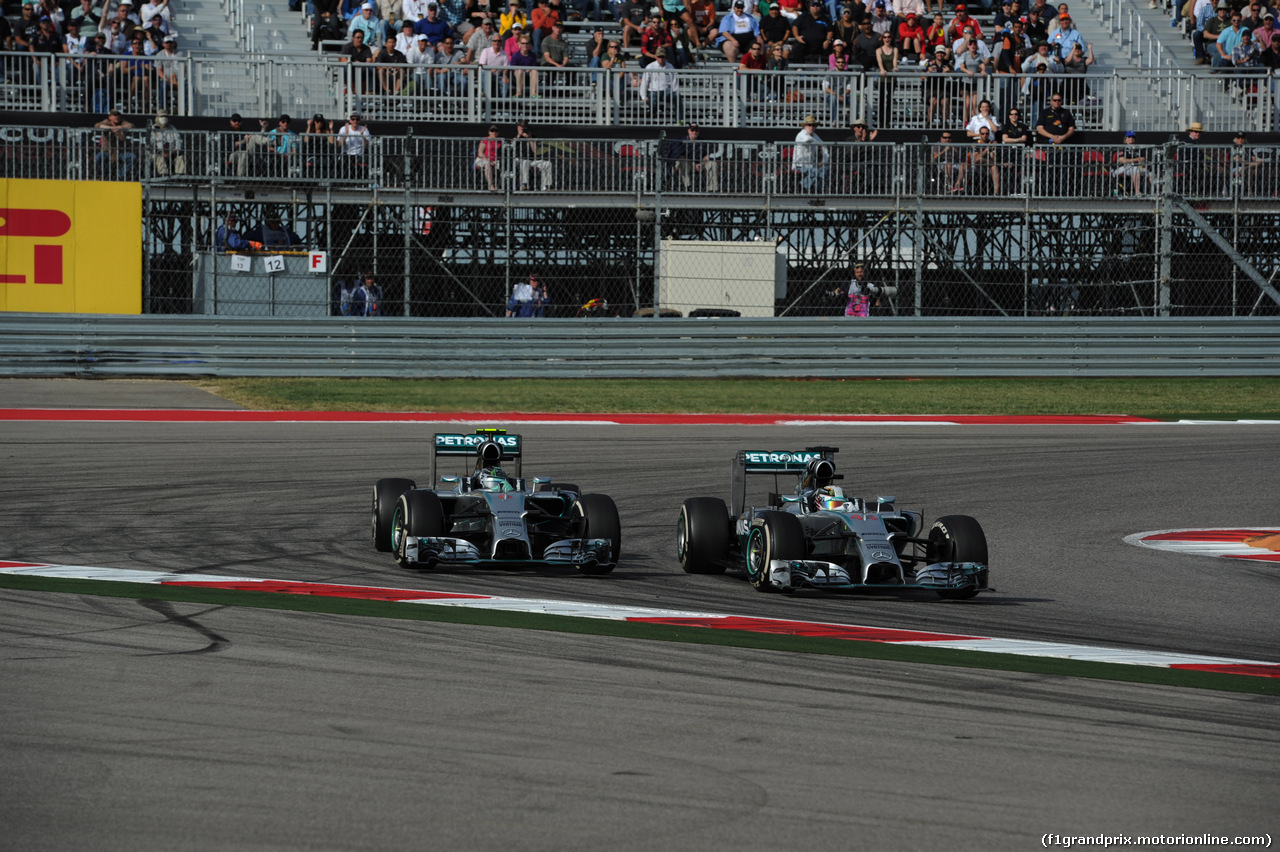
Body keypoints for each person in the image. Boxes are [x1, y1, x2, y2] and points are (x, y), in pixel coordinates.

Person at [663, 123, 719, 192]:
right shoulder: (682, 141)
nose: (694, 132)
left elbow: (706, 156)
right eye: (692, 130)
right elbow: (680, 157)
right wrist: (694, 164)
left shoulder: (703, 141)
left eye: (696, 130)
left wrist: (701, 163)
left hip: (701, 164)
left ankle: (712, 189)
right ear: (688, 131)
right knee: (682, 163)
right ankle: (688, 186)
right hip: (688, 163)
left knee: (713, 164)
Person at [639, 47, 681, 120]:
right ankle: (653, 113)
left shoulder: (670, 67)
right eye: (659, 57)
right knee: (653, 99)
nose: (661, 59)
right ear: (656, 57)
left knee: (677, 96)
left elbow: (674, 81)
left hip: (666, 91)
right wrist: (643, 96)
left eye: (662, 57)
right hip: (653, 90)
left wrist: (675, 91)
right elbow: (645, 82)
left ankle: (679, 119)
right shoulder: (650, 67)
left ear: (665, 57)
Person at [94, 108, 136, 179]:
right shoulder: (106, 121)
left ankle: (119, 176)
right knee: (98, 157)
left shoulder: (122, 122)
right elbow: (97, 125)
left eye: (118, 115)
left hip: (120, 152)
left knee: (132, 157)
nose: (117, 117)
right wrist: (111, 128)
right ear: (110, 117)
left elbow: (131, 125)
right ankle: (106, 175)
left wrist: (120, 127)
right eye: (114, 115)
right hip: (107, 151)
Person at [513, 120, 553, 190]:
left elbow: (535, 150)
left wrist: (530, 138)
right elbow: (512, 147)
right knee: (524, 162)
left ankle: (546, 185)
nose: (523, 129)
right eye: (521, 127)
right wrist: (519, 136)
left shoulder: (532, 136)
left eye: (524, 127)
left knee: (547, 164)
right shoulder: (516, 137)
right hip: (518, 160)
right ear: (518, 127)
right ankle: (524, 184)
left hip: (531, 160)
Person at [792, 115, 828, 192]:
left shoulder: (814, 136)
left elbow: (824, 146)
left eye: (813, 125)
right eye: (809, 125)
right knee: (814, 171)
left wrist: (824, 161)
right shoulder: (801, 134)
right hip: (799, 165)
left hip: (811, 165)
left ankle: (818, 191)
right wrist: (819, 144)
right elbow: (807, 139)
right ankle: (802, 187)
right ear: (805, 126)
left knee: (824, 169)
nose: (811, 127)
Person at [1111, 130, 1152, 196]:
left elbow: (1143, 159)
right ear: (1126, 139)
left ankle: (1153, 192)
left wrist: (1132, 160)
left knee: (1151, 174)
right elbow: (1122, 160)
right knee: (1135, 170)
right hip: (1123, 167)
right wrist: (1136, 159)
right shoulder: (1122, 148)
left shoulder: (1138, 148)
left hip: (1137, 167)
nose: (1131, 139)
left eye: (1133, 137)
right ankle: (1137, 193)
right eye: (1129, 137)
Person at [150, 110, 186, 176]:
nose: (164, 118)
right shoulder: (153, 128)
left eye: (166, 116)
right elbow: (151, 142)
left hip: (171, 151)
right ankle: (163, 174)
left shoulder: (172, 128)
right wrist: (158, 151)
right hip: (158, 152)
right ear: (157, 118)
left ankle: (180, 174)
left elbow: (178, 140)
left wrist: (177, 149)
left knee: (180, 157)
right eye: (162, 116)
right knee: (159, 157)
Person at [508, 30, 539, 96]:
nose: (525, 45)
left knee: (534, 71)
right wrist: (523, 69)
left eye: (527, 43)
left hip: (528, 76)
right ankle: (519, 92)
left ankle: (533, 93)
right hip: (517, 76)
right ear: (519, 44)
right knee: (519, 71)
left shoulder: (532, 55)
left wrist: (529, 69)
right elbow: (512, 68)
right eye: (523, 43)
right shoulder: (515, 55)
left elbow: (534, 66)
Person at [476, 124, 502, 191]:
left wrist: (495, 161)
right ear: (489, 132)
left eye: (496, 131)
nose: (494, 133)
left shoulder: (500, 141)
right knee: (487, 165)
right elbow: (480, 152)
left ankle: (499, 186)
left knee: (505, 167)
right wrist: (489, 161)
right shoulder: (485, 140)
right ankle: (491, 185)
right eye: (492, 131)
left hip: (496, 160)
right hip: (483, 159)